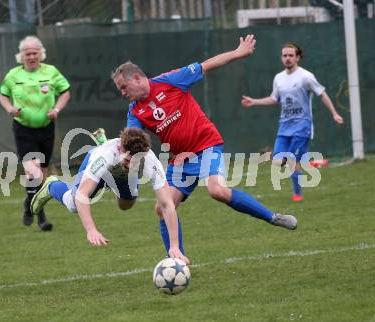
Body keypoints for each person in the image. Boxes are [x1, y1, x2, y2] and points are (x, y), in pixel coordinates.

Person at [111, 34, 297, 254]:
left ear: (137, 79)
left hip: (206, 144)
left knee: (217, 190)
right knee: (162, 208)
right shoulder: (135, 110)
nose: (123, 93)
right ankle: (176, 257)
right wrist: (124, 154)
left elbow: (207, 65)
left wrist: (238, 53)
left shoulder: (170, 80)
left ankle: (272, 217)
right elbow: (131, 137)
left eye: (124, 87)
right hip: (180, 159)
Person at [30, 127, 189, 264]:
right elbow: (82, 195)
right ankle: (51, 185)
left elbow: (167, 205)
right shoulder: (104, 156)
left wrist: (174, 246)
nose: (131, 164)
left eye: (136, 162)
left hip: (122, 175)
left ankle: (111, 178)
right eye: (128, 160)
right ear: (120, 148)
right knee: (73, 204)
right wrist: (91, 229)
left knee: (126, 205)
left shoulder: (150, 161)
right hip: (101, 166)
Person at [241, 42, 344, 201]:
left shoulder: (306, 76)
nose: (287, 58)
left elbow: (321, 93)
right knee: (278, 162)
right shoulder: (278, 78)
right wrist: (254, 101)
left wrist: (334, 113)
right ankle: (310, 165)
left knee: (291, 160)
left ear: (297, 57)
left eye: (291, 55)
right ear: (282, 58)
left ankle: (298, 193)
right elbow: (274, 99)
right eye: (285, 55)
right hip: (284, 126)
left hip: (302, 125)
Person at [0, 35, 71, 231]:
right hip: (23, 128)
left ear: (41, 54)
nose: (31, 56)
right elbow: (3, 95)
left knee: (42, 175)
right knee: (35, 172)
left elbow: (65, 92)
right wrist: (9, 109)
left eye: (34, 53)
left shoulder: (51, 72)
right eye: (27, 53)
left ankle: (30, 206)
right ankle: (40, 217)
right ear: (21, 56)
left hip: (46, 128)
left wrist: (56, 109)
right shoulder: (13, 75)